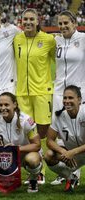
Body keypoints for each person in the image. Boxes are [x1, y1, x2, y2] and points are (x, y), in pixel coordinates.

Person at [13, 8, 56, 183]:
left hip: (42, 93)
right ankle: (38, 171)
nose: (28, 22)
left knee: (43, 132)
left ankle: (43, 166)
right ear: (22, 22)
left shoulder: (48, 40)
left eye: (32, 19)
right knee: (28, 134)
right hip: (22, 94)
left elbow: (59, 60)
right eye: (26, 19)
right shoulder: (17, 39)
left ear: (38, 21)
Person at [51, 10, 85, 186]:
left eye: (66, 23)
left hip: (79, 93)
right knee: (61, 135)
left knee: (78, 133)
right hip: (58, 93)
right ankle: (67, 172)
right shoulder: (56, 40)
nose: (63, 26)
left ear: (74, 23)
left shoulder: (83, 39)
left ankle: (76, 172)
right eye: (61, 23)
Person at [0, 92, 42, 193]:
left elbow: (37, 145)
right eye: (0, 105)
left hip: (25, 153)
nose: (3, 108)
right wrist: (3, 149)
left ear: (15, 104)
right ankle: (2, 181)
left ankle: (33, 180)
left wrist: (16, 148)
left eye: (6, 105)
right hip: (6, 155)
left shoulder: (26, 120)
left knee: (32, 160)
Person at [45, 85, 85, 192]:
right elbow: (49, 140)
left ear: (79, 100)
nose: (67, 101)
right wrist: (63, 151)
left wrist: (73, 152)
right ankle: (71, 178)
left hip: (78, 152)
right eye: (65, 98)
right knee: (49, 155)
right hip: (71, 157)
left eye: (71, 98)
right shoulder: (58, 116)